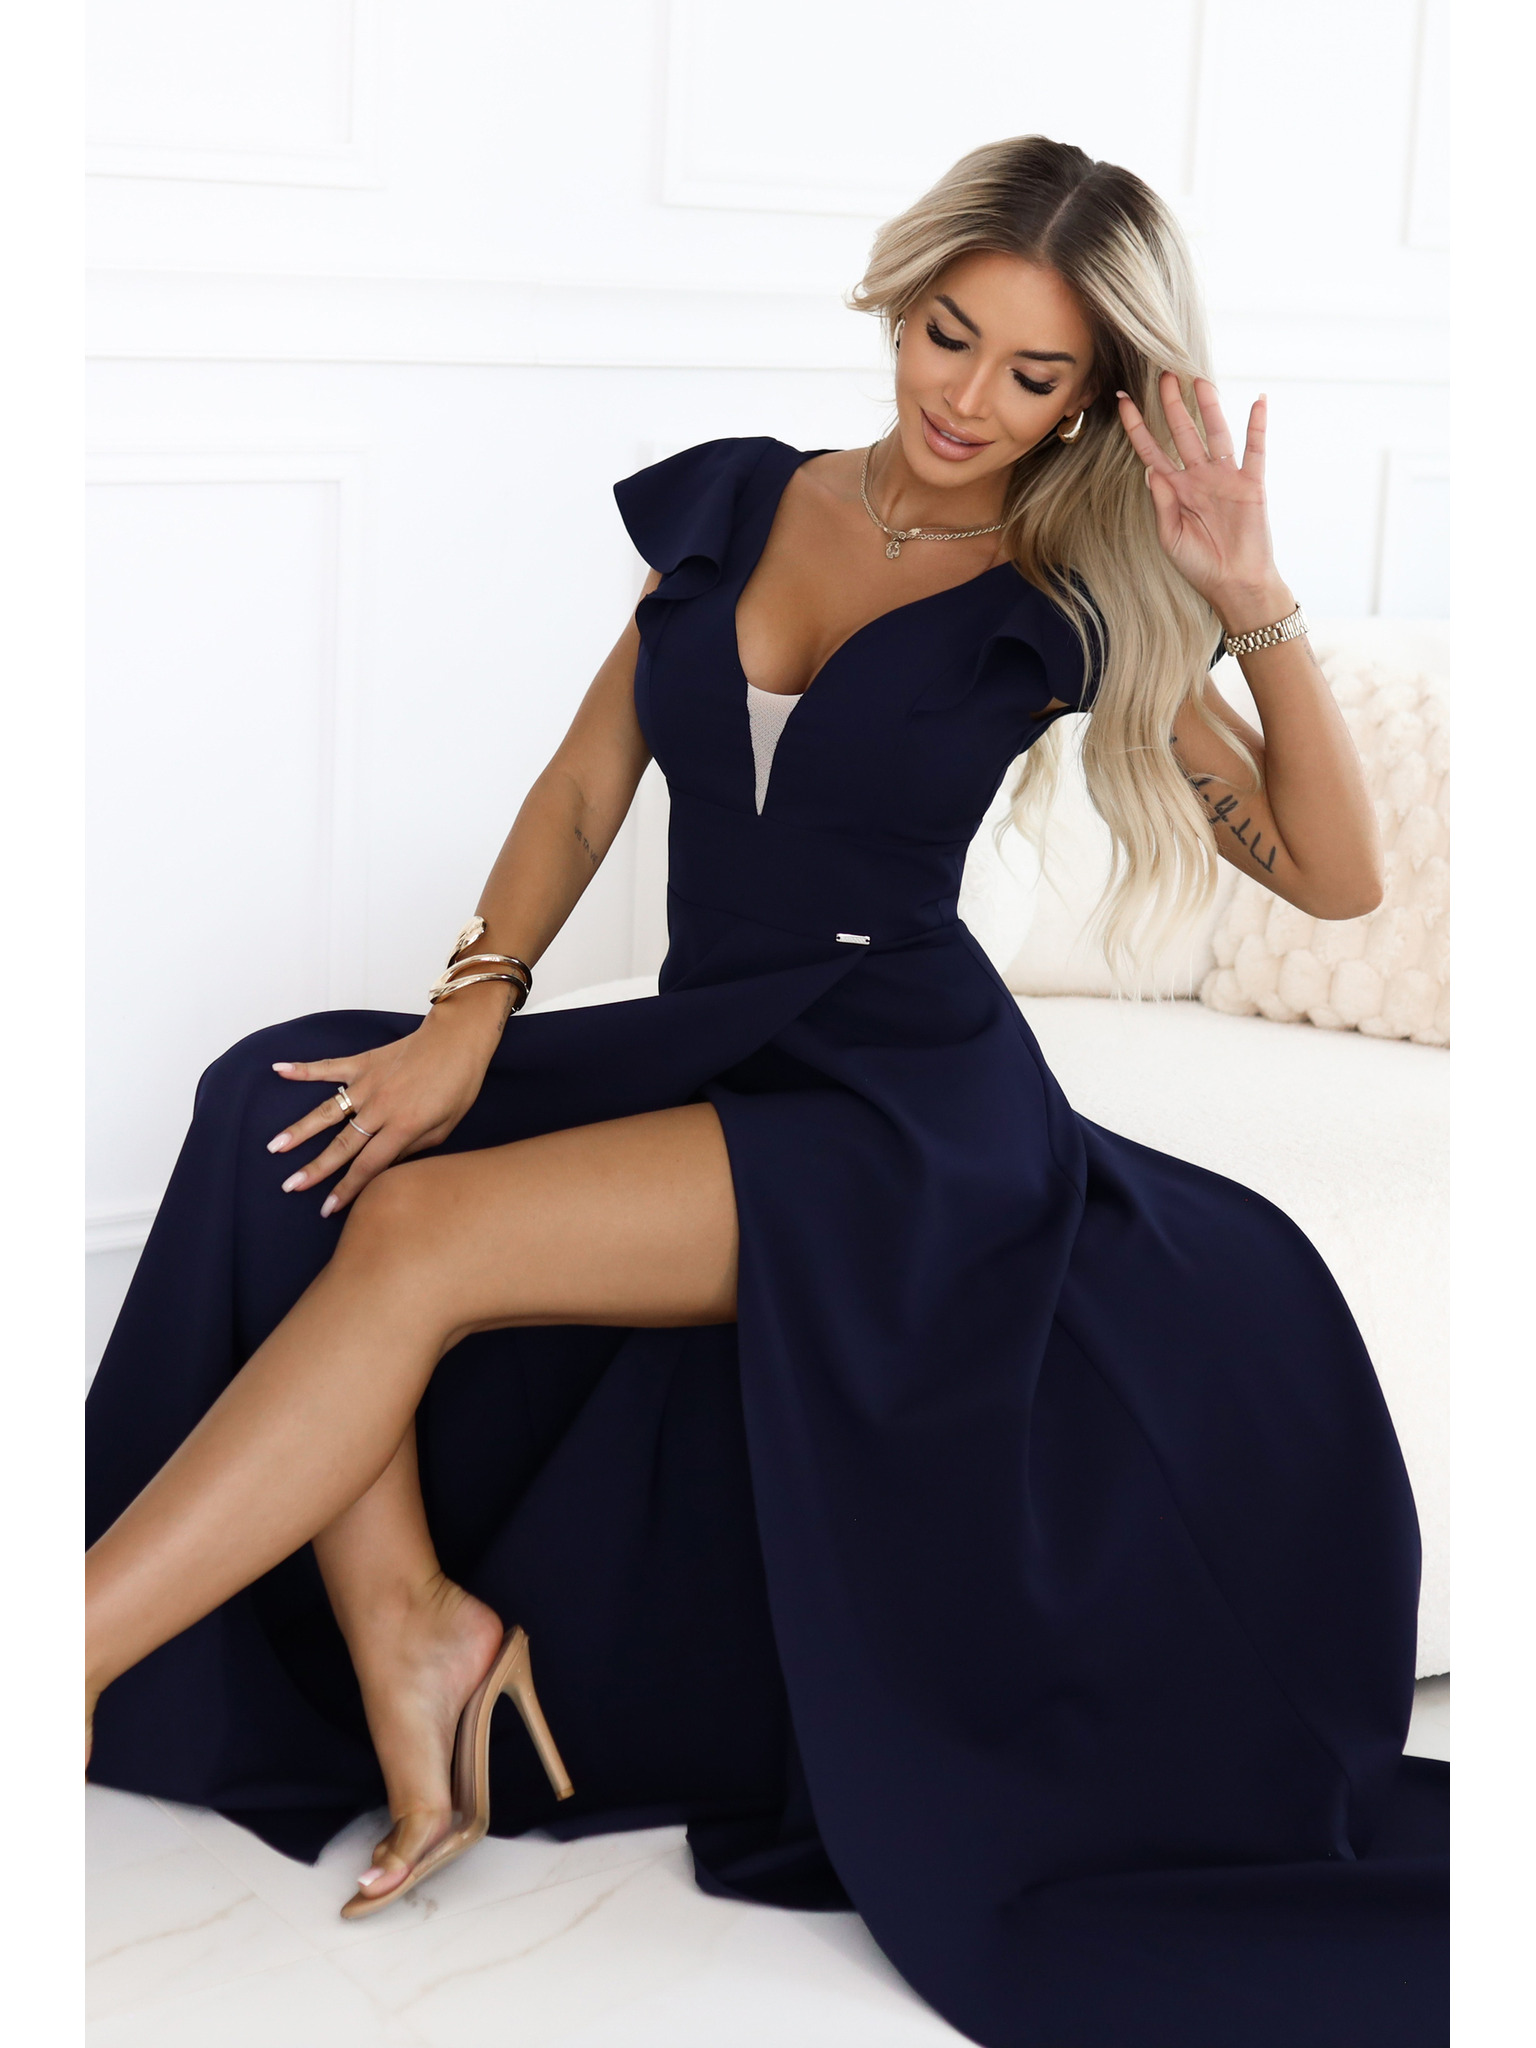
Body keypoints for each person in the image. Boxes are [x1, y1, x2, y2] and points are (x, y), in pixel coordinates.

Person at [85, 135, 1448, 2046]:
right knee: (275, 1101)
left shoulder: (1069, 595)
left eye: (1033, 375)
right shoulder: (739, 500)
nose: (968, 400)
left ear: (1094, 400)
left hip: (907, 1116)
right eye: (949, 335)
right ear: (900, 298)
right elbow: (587, 786)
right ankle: (412, 1629)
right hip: (715, 1036)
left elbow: (1334, 877)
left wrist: (1253, 595)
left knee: (421, 1222)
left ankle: (60, 1658)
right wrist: (475, 1002)